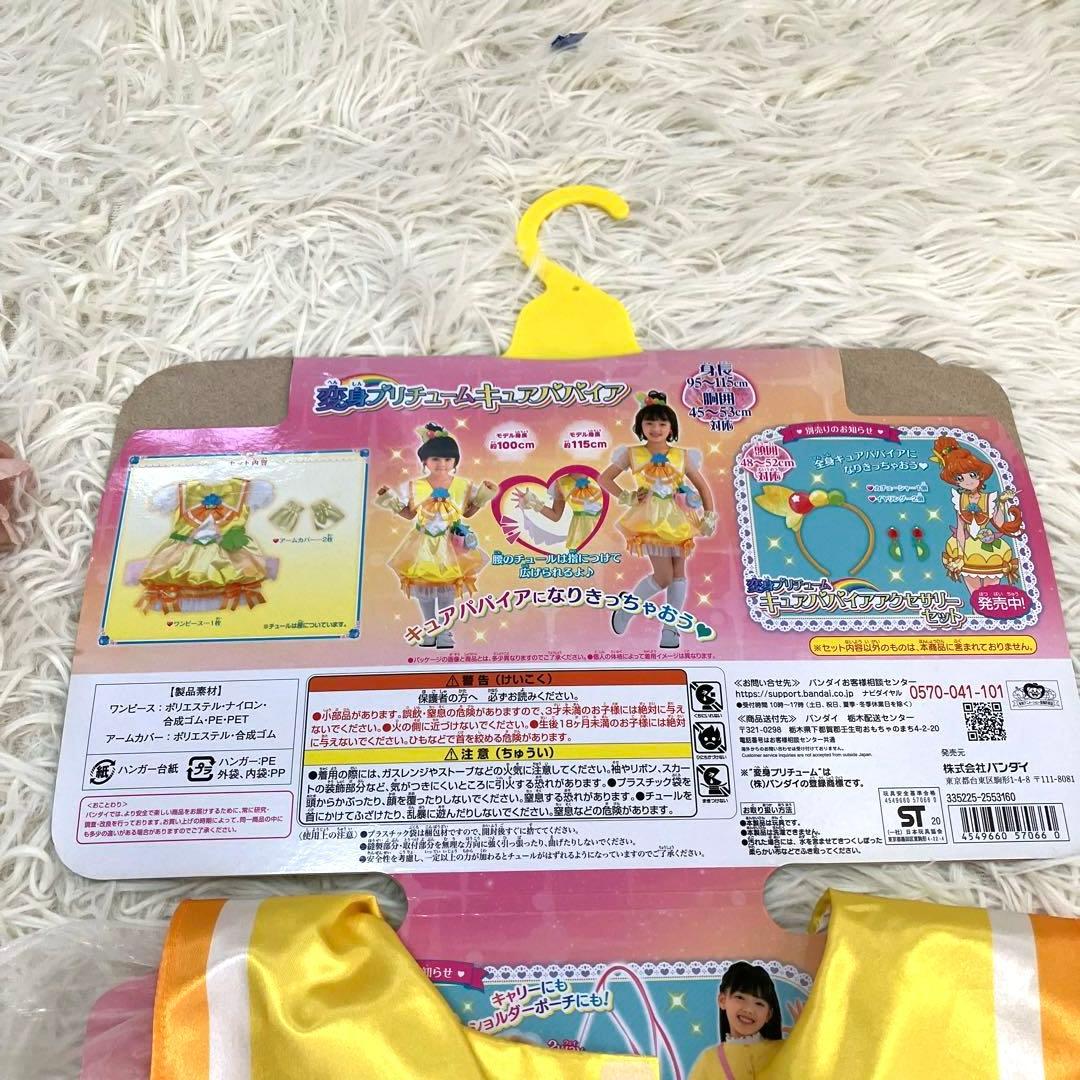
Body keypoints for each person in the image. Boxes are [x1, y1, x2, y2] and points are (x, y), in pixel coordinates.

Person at [598, 391, 716, 648]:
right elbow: (604, 479)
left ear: (671, 427)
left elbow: (702, 487)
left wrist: (709, 515)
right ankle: (626, 610)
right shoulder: (632, 454)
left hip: (678, 517)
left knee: (678, 574)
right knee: (663, 577)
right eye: (650, 422)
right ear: (640, 425)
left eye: (662, 423)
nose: (656, 428)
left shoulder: (682, 455)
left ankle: (670, 630)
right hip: (649, 518)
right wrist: (628, 496)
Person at [375, 423, 496, 648]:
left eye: (448, 459)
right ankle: (430, 629)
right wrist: (390, 499)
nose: (442, 464)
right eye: (436, 459)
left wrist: (483, 496)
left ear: (455, 462)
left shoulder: (463, 486)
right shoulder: (415, 486)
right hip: (423, 543)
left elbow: (467, 512)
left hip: (450, 543)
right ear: (425, 461)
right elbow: (409, 514)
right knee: (426, 589)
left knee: (448, 589)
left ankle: (445, 632)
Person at [931, 435, 1023, 595]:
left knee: (991, 591)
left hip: (989, 546)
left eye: (972, 475)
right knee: (974, 593)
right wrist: (960, 554)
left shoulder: (989, 499)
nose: (967, 481)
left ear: (980, 475)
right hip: (966, 547)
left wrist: (1001, 503)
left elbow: (999, 523)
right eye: (960, 478)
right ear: (956, 481)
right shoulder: (960, 499)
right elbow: (960, 528)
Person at [688, 962, 785, 1080]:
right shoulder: (708, 1060)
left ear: (768, 1014)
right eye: (740, 997)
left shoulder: (785, 1050)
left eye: (759, 1003)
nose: (749, 1009)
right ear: (722, 1000)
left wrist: (804, 1036)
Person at [513, 471, 604, 553]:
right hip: (580, 535)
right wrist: (532, 501)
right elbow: (555, 515)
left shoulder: (601, 473)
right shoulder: (561, 483)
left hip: (605, 530)